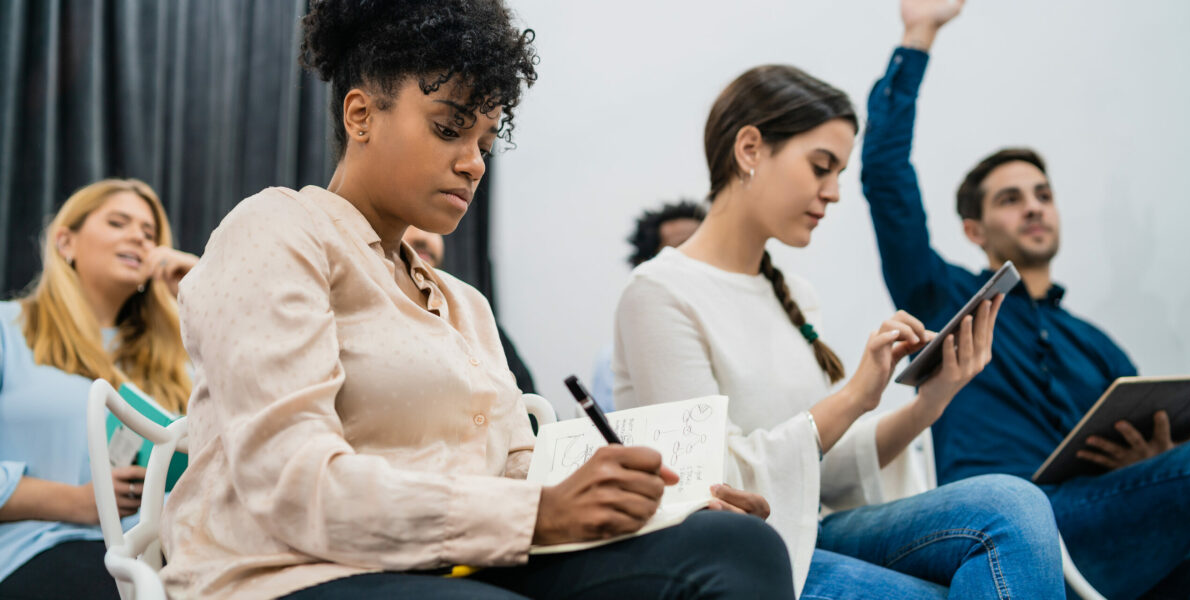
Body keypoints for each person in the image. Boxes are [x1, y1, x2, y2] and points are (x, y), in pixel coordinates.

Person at [158, 1, 795, 598]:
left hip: (461, 565)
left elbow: (520, 471)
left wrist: (660, 507)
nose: (474, 164)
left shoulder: (465, 305)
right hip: (290, 574)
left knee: (733, 545)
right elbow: (288, 483)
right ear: (360, 116)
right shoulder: (277, 230)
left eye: (485, 143)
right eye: (449, 130)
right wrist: (541, 511)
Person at [612, 59, 1067, 598]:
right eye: (821, 167)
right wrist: (854, 395)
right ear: (750, 149)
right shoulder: (660, 293)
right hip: (744, 550)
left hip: (817, 528)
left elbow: (823, 471)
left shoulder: (797, 296)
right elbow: (711, 484)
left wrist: (931, 401)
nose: (833, 192)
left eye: (839, 174)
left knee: (1015, 504)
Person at [860, 1, 1190, 597]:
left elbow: (1158, 438)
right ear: (974, 230)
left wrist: (1160, 454)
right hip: (1007, 523)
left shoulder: (1098, 348)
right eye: (1011, 199)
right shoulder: (943, 295)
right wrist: (919, 35)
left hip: (1112, 526)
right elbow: (886, 177)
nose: (1035, 206)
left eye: (1043, 193)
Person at [0, 178, 197, 599]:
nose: (138, 238)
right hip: (42, 552)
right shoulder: (6, 331)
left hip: (164, 561)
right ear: (65, 243)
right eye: (118, 222)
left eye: (149, 233)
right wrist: (77, 503)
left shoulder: (179, 360)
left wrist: (202, 297)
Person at [591, 200, 706, 412]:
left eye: (703, 247)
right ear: (646, 265)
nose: (695, 260)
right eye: (680, 249)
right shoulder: (610, 362)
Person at [402, 227, 538, 394]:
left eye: (431, 228)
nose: (422, 236)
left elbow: (532, 399)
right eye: (406, 224)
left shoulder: (475, 313)